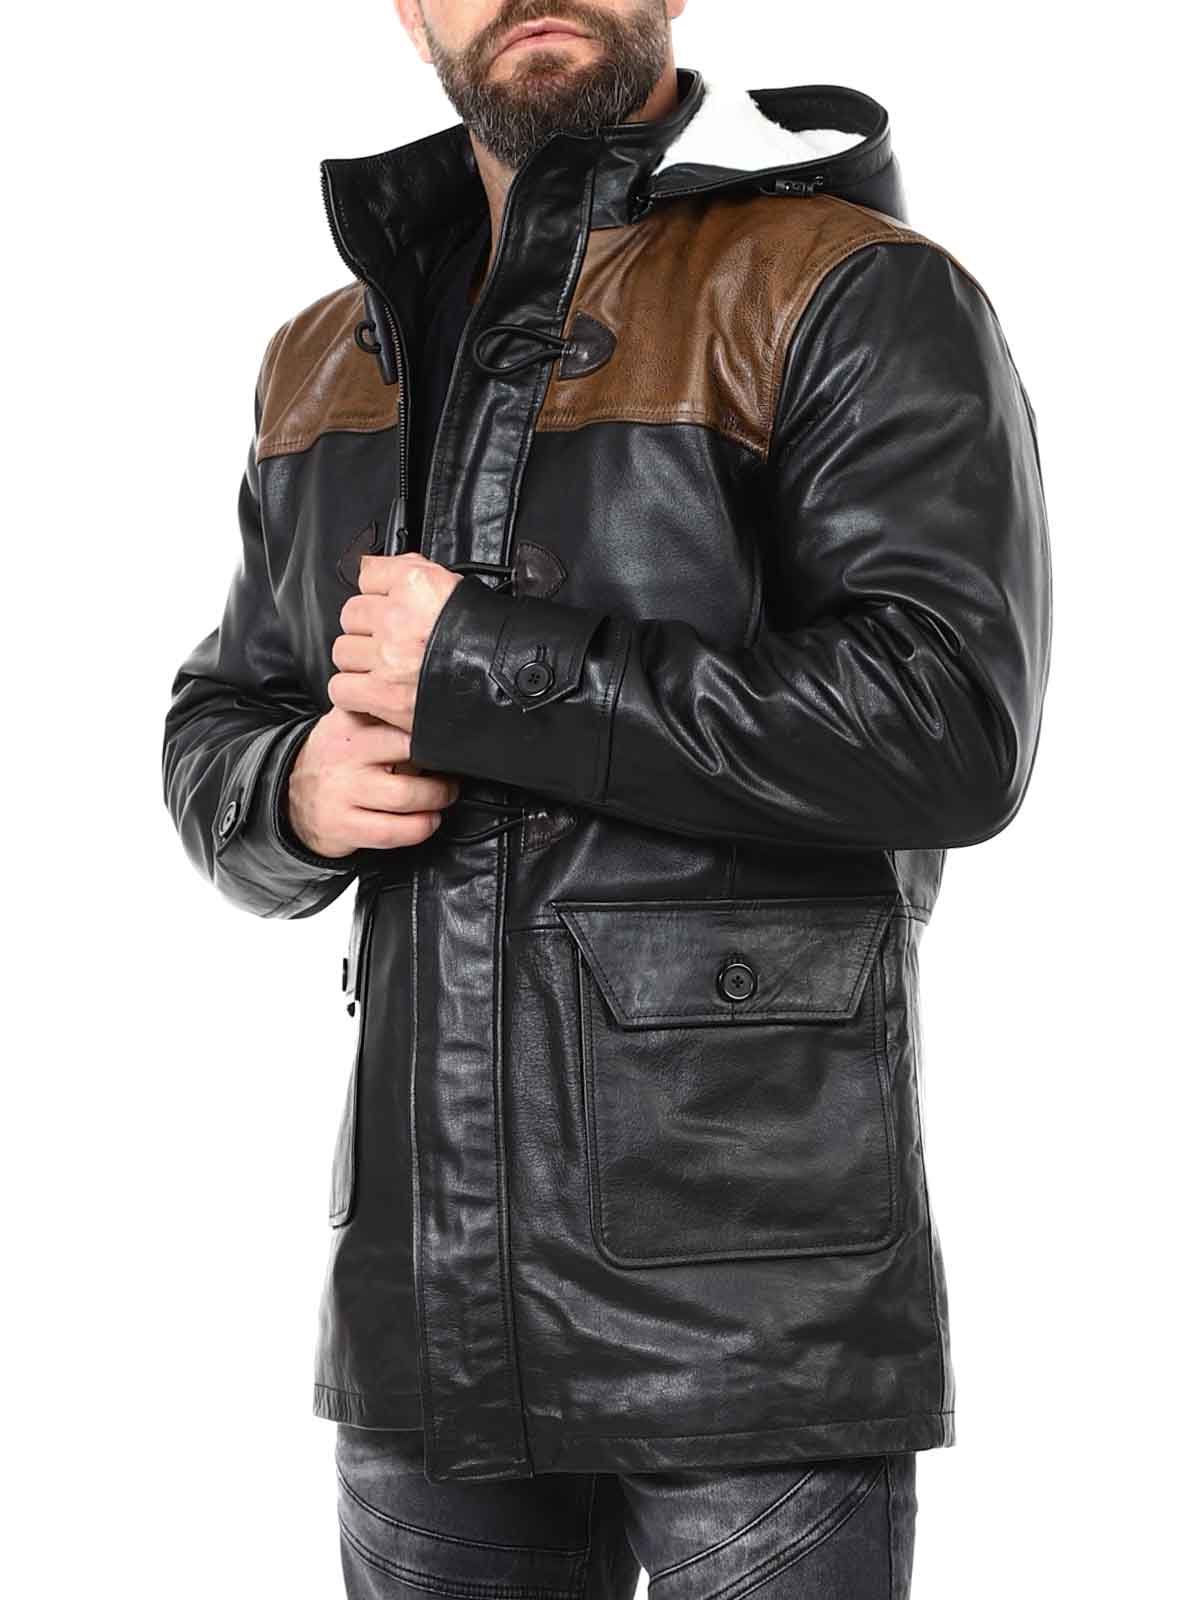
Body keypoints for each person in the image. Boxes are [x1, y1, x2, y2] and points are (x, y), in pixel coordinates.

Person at [161, 1, 1052, 1592]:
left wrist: (483, 670)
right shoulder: (324, 354)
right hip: (419, 1309)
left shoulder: (844, 286)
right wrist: (288, 791)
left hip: (752, 1315)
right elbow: (218, 720)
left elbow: (949, 723)